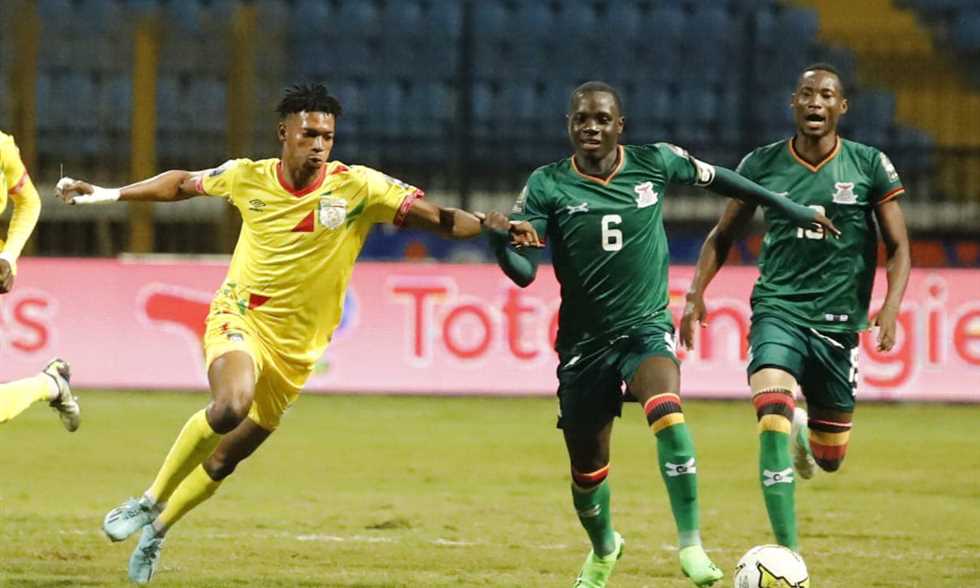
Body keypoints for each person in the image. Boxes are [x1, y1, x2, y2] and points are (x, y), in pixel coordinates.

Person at [56, 82, 538, 584]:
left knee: (223, 461)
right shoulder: (247, 176)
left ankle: (157, 530)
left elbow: (439, 219)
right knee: (230, 405)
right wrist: (108, 194)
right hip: (241, 317)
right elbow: (180, 184)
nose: (319, 145)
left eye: (327, 137)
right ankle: (148, 500)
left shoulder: (359, 188)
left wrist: (491, 225)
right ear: (283, 133)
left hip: (298, 351)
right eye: (309, 134)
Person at [483, 81, 838, 588]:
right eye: (582, 119)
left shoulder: (656, 162)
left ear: (620, 126)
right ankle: (604, 548)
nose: (591, 127)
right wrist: (501, 244)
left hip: (645, 328)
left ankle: (690, 544)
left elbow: (725, 181)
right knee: (588, 472)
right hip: (584, 345)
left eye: (602, 119)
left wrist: (788, 206)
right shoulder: (547, 184)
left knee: (668, 414)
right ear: (569, 125)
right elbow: (524, 273)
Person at [680, 63, 911, 553]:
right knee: (770, 415)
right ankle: (790, 556)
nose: (815, 102)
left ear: (841, 107)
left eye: (826, 95)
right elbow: (723, 235)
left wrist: (890, 306)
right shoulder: (762, 164)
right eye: (806, 94)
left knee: (831, 458)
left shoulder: (869, 164)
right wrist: (696, 291)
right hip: (778, 309)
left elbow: (898, 246)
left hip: (838, 322)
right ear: (793, 103)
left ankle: (806, 434)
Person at [0, 130, 78, 430]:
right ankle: (51, 384)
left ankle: (50, 384)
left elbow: (29, 202)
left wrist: (9, 256)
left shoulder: (2, 148)